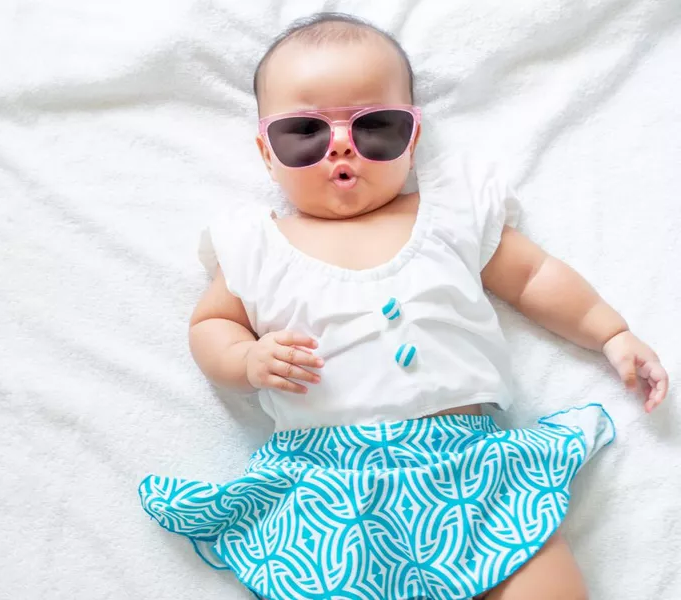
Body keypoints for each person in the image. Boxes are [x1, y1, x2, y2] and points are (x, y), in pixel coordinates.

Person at [139, 12, 669, 600]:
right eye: (304, 134)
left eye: (376, 128)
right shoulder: (255, 244)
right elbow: (211, 323)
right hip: (330, 484)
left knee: (543, 580)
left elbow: (535, 276)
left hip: (472, 468)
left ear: (412, 139)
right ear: (266, 153)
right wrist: (246, 360)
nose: (341, 146)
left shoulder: (449, 215)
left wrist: (610, 332)